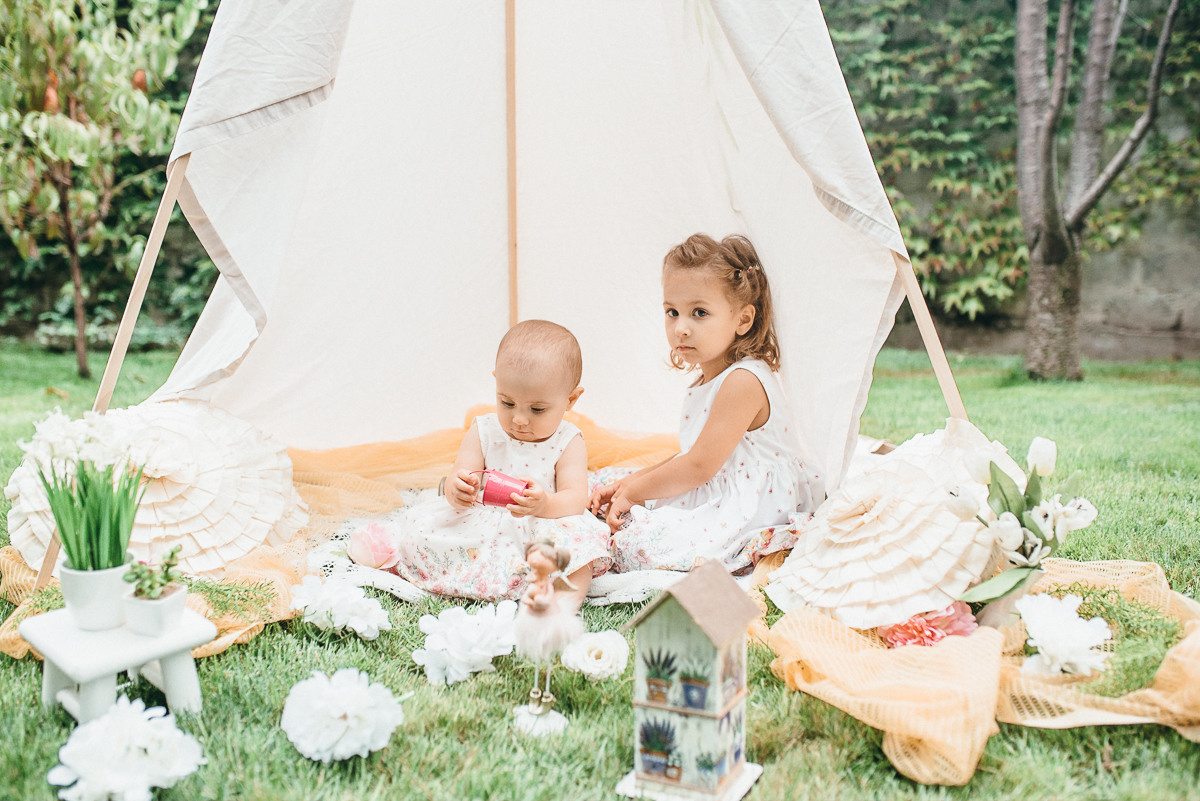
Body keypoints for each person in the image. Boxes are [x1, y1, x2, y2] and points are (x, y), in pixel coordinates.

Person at [588, 233, 815, 573]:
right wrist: (630, 483)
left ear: (743, 319)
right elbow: (690, 455)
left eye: (699, 313)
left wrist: (636, 492)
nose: (681, 328)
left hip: (752, 505)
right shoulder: (711, 376)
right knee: (608, 485)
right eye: (672, 312)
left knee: (637, 545)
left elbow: (698, 466)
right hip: (718, 484)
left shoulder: (743, 381)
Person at [392, 320, 611, 606]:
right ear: (497, 382)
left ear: (571, 399)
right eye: (507, 403)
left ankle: (561, 606)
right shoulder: (483, 430)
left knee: (578, 552)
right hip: (483, 520)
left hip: (541, 522)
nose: (519, 419)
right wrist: (458, 490)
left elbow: (575, 499)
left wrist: (545, 505)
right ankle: (466, 575)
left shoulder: (568, 440)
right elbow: (459, 477)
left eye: (537, 409)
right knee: (419, 536)